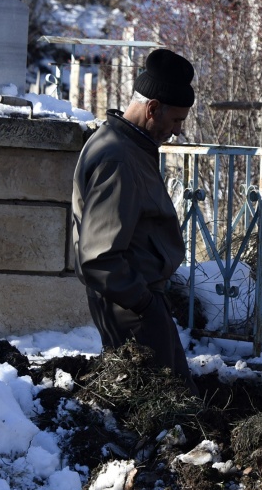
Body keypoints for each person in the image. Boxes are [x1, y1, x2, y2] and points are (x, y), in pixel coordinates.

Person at [72, 48, 196, 390]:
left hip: (136, 300)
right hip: (132, 307)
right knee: (164, 411)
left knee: (175, 404)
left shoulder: (127, 147)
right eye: (175, 120)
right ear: (153, 108)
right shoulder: (119, 158)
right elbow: (99, 257)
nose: (178, 131)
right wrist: (145, 303)